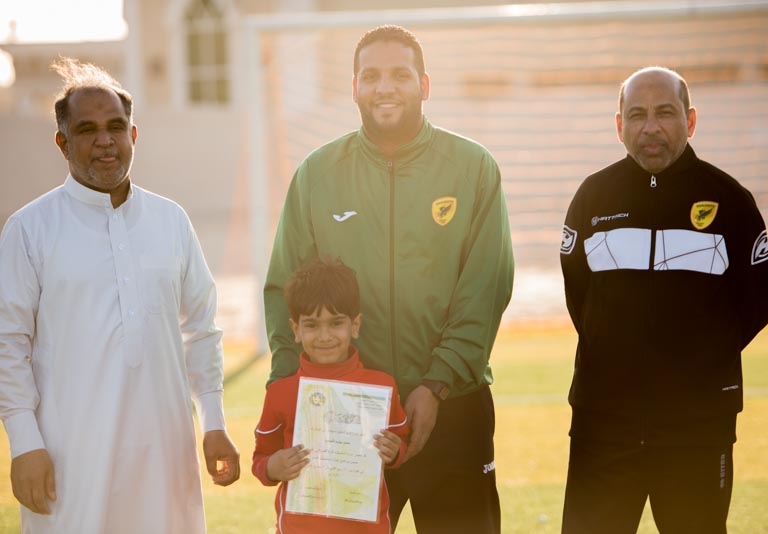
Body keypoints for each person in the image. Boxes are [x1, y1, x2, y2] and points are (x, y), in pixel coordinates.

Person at [263, 25, 514, 533]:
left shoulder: (473, 168)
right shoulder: (317, 173)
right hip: (347, 416)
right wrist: (291, 393)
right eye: (371, 76)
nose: (385, 87)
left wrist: (436, 384)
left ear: (425, 85)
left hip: (453, 406)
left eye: (400, 75)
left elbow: (486, 288)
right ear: (354, 86)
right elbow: (283, 290)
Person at [0, 58, 240, 533]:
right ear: (62, 143)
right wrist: (24, 442)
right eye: (87, 130)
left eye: (115, 127)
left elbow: (201, 328)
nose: (105, 140)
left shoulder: (171, 220)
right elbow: (8, 343)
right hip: (70, 457)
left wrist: (213, 422)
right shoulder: (29, 228)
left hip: (165, 453)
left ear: (133, 135)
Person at [559, 66, 768, 533]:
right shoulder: (593, 197)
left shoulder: (731, 201)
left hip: (698, 424)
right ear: (620, 125)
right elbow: (580, 297)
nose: (650, 127)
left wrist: (695, 365)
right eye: (637, 115)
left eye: (665, 113)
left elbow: (755, 306)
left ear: (690, 121)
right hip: (604, 422)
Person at [253, 257, 409, 533]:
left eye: (336, 323)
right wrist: (272, 468)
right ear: (296, 330)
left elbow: (400, 442)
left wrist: (395, 451)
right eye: (312, 325)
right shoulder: (280, 393)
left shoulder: (381, 389)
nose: (324, 336)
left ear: (355, 325)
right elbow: (261, 458)